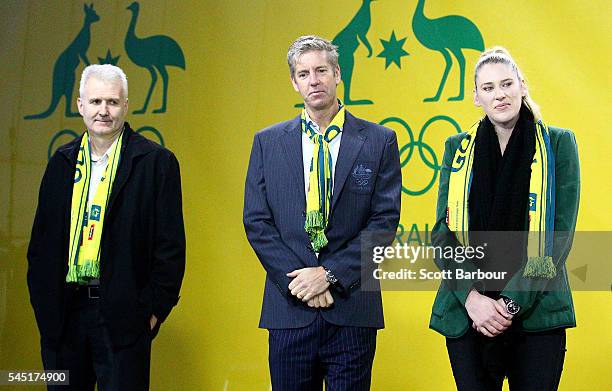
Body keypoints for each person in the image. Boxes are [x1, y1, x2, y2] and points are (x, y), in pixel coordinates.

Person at [243, 35, 401, 390]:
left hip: (352, 307)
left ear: (337, 74)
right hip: (289, 311)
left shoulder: (379, 140)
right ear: (294, 82)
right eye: (303, 74)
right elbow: (257, 221)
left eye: (321, 70)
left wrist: (329, 274)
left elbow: (384, 223)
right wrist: (301, 284)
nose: (313, 80)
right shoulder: (267, 142)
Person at [428, 46, 580, 390]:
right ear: (476, 97)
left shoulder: (558, 144)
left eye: (507, 84)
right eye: (489, 88)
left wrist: (509, 304)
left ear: (522, 86)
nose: (500, 94)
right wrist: (472, 299)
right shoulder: (457, 148)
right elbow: (442, 233)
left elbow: (558, 237)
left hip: (536, 312)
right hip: (469, 315)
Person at [27, 64, 186, 390]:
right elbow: (40, 245)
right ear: (80, 105)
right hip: (63, 319)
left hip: (125, 320)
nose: (104, 111)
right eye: (96, 101)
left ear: (126, 106)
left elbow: (170, 248)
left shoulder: (156, 163)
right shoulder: (61, 161)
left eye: (112, 102)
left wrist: (151, 313)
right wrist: (46, 310)